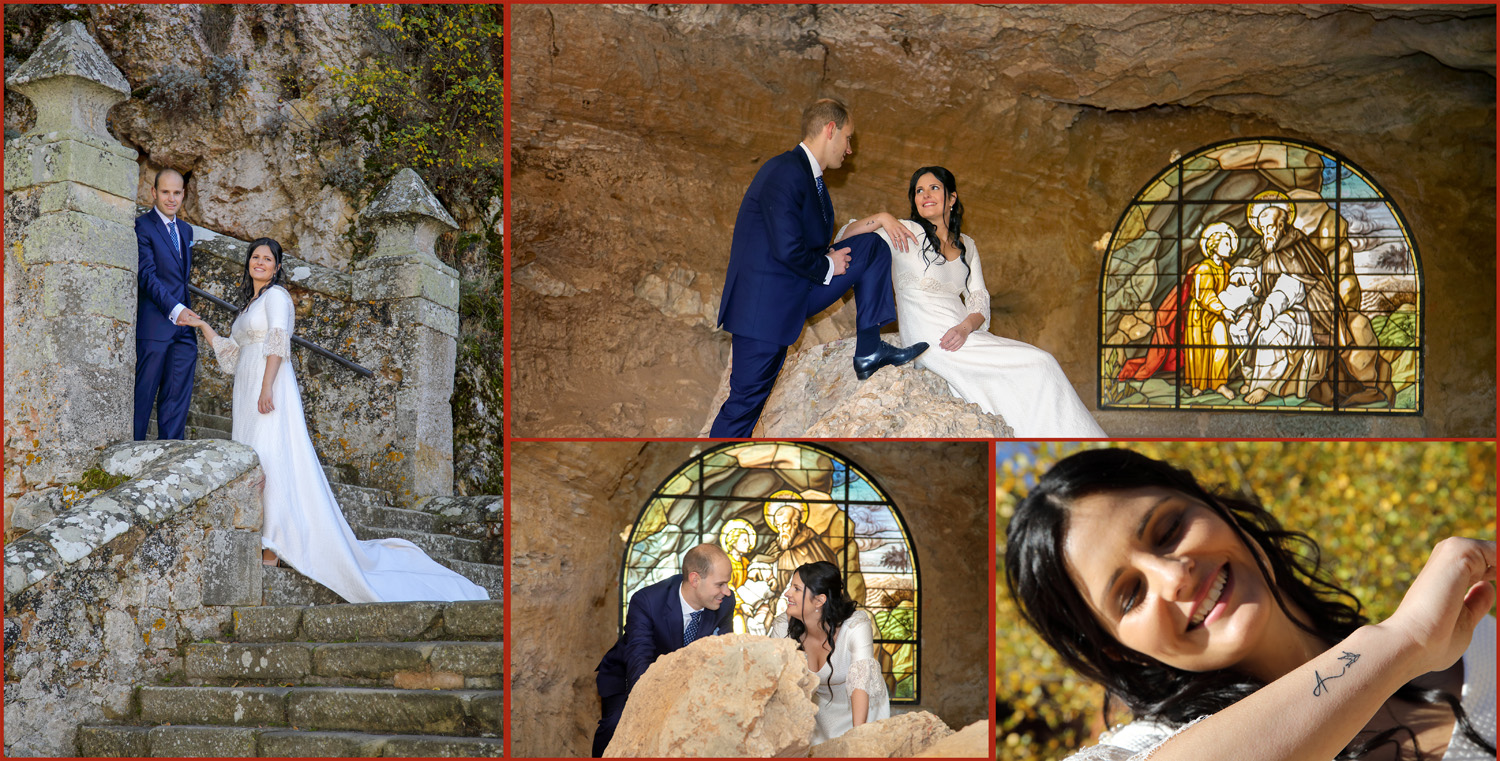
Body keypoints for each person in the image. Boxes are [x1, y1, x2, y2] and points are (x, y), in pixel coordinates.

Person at [1003, 447, 1496, 761]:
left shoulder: (1484, 646)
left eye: (1169, 530)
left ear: (1216, 508)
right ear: (1118, 650)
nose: (1175, 577)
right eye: (1130, 595)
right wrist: (1399, 644)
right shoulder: (1143, 750)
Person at [183, 238, 488, 603]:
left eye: (267, 258)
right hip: (245, 391)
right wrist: (202, 325)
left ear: (277, 267)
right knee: (254, 461)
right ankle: (266, 536)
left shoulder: (278, 297)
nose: (259, 262)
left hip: (269, 386)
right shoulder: (251, 303)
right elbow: (233, 357)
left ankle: (273, 547)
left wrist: (267, 388)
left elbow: (278, 342)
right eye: (255, 257)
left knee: (272, 459)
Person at [709, 98, 929, 438]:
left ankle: (869, 349)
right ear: (831, 130)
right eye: (848, 138)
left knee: (871, 247)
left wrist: (878, 221)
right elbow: (786, 247)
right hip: (763, 310)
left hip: (791, 294)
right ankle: (715, 472)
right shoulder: (784, 171)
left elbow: (819, 243)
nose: (850, 149)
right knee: (744, 405)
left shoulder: (810, 179)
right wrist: (827, 264)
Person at [839, 166, 1105, 437]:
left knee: (1042, 363)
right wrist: (883, 218)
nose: (925, 195)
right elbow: (845, 237)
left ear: (951, 198)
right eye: (919, 190)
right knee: (1040, 364)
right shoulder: (903, 231)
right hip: (932, 339)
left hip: (965, 334)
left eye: (934, 188)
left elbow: (979, 301)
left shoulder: (968, 244)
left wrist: (965, 328)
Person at [594, 543, 736, 757]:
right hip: (630, 677)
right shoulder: (647, 601)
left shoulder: (724, 603)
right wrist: (660, 706)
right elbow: (639, 661)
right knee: (618, 724)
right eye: (720, 584)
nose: (726, 591)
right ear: (695, 579)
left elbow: (724, 655)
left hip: (690, 680)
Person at [771, 560, 890, 745]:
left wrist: (858, 738)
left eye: (796, 589)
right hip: (815, 715)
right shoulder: (782, 627)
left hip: (860, 710)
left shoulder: (855, 625)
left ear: (819, 600)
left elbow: (860, 683)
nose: (787, 594)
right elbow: (776, 683)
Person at [134, 168, 202, 440]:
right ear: (154, 193)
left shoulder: (186, 230)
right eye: (165, 192)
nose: (171, 198)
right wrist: (176, 310)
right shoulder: (143, 226)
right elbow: (147, 276)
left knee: (177, 400)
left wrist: (184, 316)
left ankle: (170, 454)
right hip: (154, 328)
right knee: (142, 399)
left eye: (176, 192)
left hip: (184, 332)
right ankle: (131, 455)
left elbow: (179, 279)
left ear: (183, 194)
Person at [1182, 223, 1238, 400]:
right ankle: (1198, 385)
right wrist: (1223, 310)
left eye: (1230, 244)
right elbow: (1205, 295)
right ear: (1214, 245)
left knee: (1221, 345)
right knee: (1199, 349)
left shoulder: (1227, 268)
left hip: (1218, 315)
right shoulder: (1204, 268)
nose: (1230, 248)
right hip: (1200, 315)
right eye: (1226, 244)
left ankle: (1219, 383)